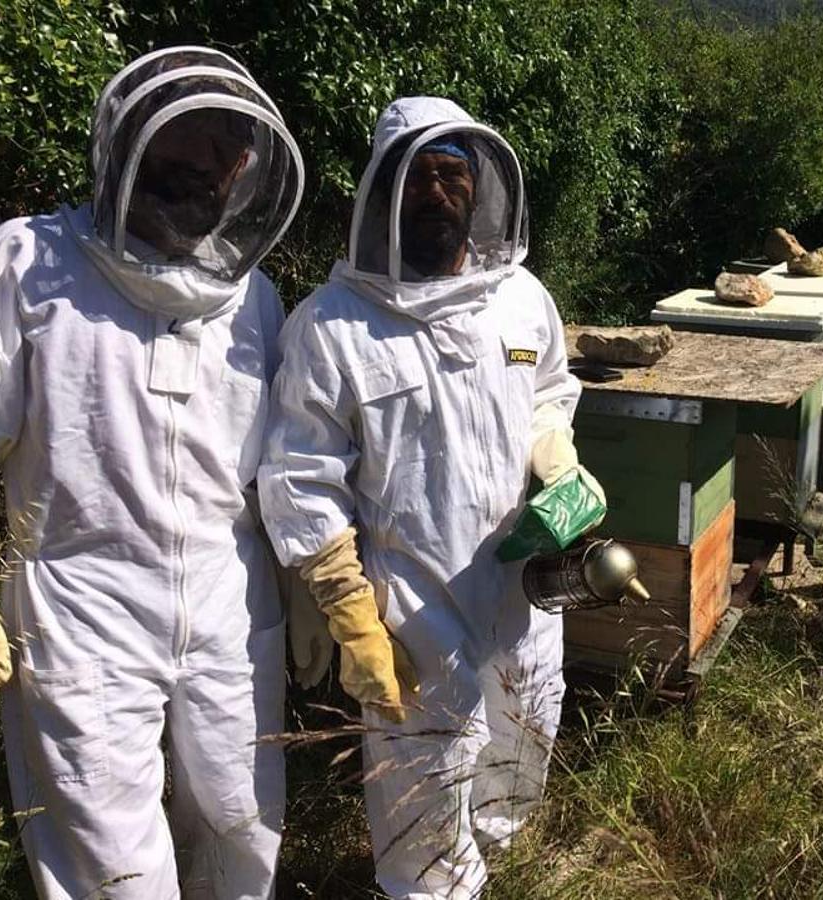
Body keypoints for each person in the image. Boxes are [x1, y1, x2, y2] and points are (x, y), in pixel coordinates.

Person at [259, 96, 603, 898]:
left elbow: (550, 389)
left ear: (481, 192)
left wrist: (555, 450)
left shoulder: (521, 299)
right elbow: (303, 478)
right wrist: (346, 611)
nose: (439, 193)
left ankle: (497, 866)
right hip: (411, 602)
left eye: (454, 176)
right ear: (383, 192)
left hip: (521, 586)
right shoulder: (331, 327)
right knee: (424, 785)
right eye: (420, 178)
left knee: (523, 743)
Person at [0, 46, 304, 898]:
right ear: (128, 138)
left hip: (230, 601)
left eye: (225, 145)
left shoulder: (257, 298)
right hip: (79, 600)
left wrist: (312, 586)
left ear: (247, 166)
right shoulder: (25, 264)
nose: (202, 163)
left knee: (244, 833)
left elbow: (281, 469)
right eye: (184, 136)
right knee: (111, 867)